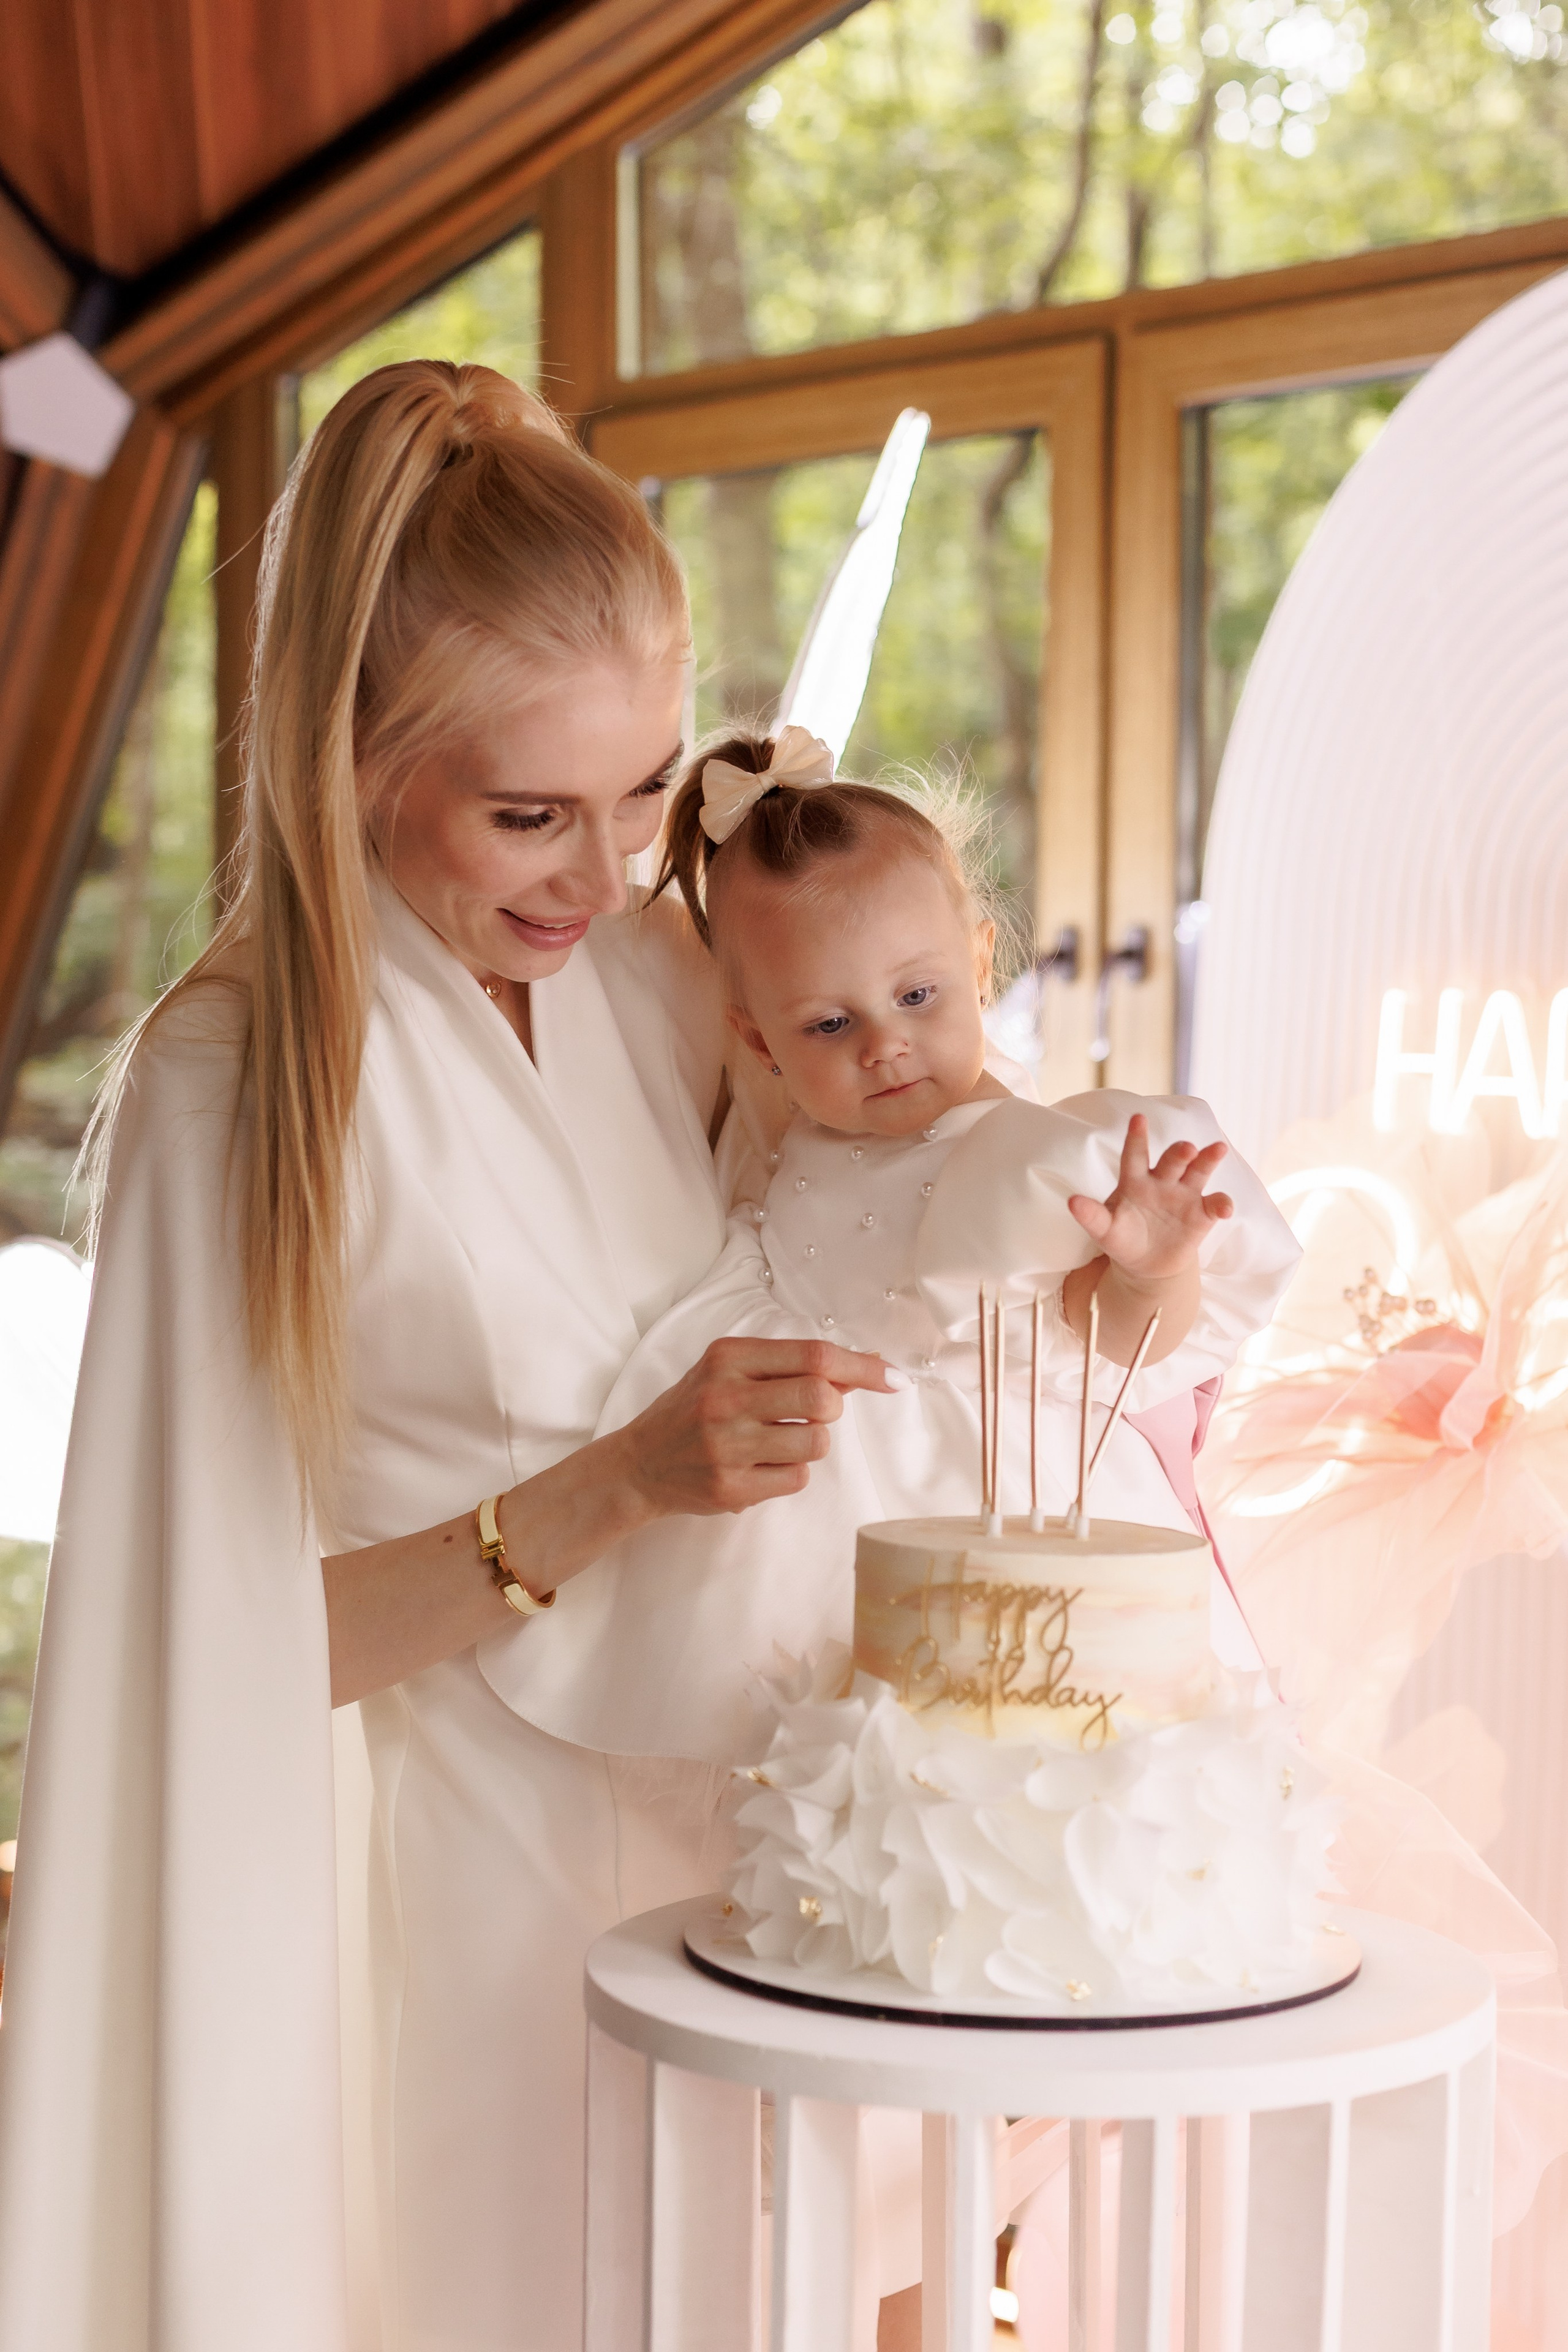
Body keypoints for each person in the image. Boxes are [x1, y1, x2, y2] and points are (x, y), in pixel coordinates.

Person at [0, 363, 899, 2352]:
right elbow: (205, 1658)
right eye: (526, 814)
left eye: (647, 792)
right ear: (354, 752)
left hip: (736, 1867)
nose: (600, 874)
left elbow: (882, 1243)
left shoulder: (657, 991)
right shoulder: (237, 1090)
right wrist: (615, 1487)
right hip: (438, 1931)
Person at [492, 729, 1301, 1773]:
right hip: (800, 1502)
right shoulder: (783, 1143)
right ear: (756, 1041)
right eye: (829, 1024)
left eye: (918, 997)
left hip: (991, 1502)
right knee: (806, 1781)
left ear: (978, 961)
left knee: (1015, 1769)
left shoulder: (1028, 1158)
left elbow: (1109, 1352)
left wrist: (1152, 1266)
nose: (884, 1045)